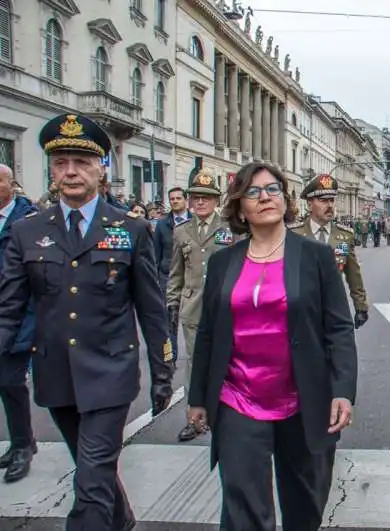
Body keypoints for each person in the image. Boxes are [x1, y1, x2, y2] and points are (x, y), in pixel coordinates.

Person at [0, 113, 174, 530]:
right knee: (91, 466)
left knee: (90, 480)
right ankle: (123, 520)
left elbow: (151, 309)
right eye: (61, 163)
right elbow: (8, 308)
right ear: (51, 169)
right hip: (57, 373)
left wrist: (163, 371)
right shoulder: (28, 232)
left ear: (102, 168)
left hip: (110, 373)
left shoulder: (131, 229)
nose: (72, 171)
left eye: (82, 161)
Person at [187, 161, 357, 531]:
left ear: (285, 199)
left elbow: (339, 329)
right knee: (244, 508)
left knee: (304, 506)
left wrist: (342, 391)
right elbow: (208, 334)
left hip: (303, 399)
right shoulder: (222, 262)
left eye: (273, 190)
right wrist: (198, 396)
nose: (265, 197)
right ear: (239, 207)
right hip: (238, 399)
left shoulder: (316, 257)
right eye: (254, 192)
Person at [167, 169, 234, 442]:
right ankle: (193, 419)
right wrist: (172, 301)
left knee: (228, 362)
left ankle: (225, 414)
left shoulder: (230, 229)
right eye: (196, 198)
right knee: (195, 364)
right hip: (194, 307)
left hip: (224, 308)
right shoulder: (181, 232)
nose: (201, 203)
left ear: (216, 201)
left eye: (207, 198)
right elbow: (176, 272)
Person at [289, 174, 369, 329]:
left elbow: (353, 274)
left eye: (332, 200)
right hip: (300, 309)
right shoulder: (294, 234)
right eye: (323, 201)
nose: (330, 205)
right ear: (309, 204)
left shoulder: (344, 236)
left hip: (334, 308)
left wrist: (361, 306)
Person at [0, 164, 38, 483]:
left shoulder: (28, 220)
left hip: (20, 316)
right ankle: (19, 442)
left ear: (11, 184)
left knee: (12, 381)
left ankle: (24, 445)